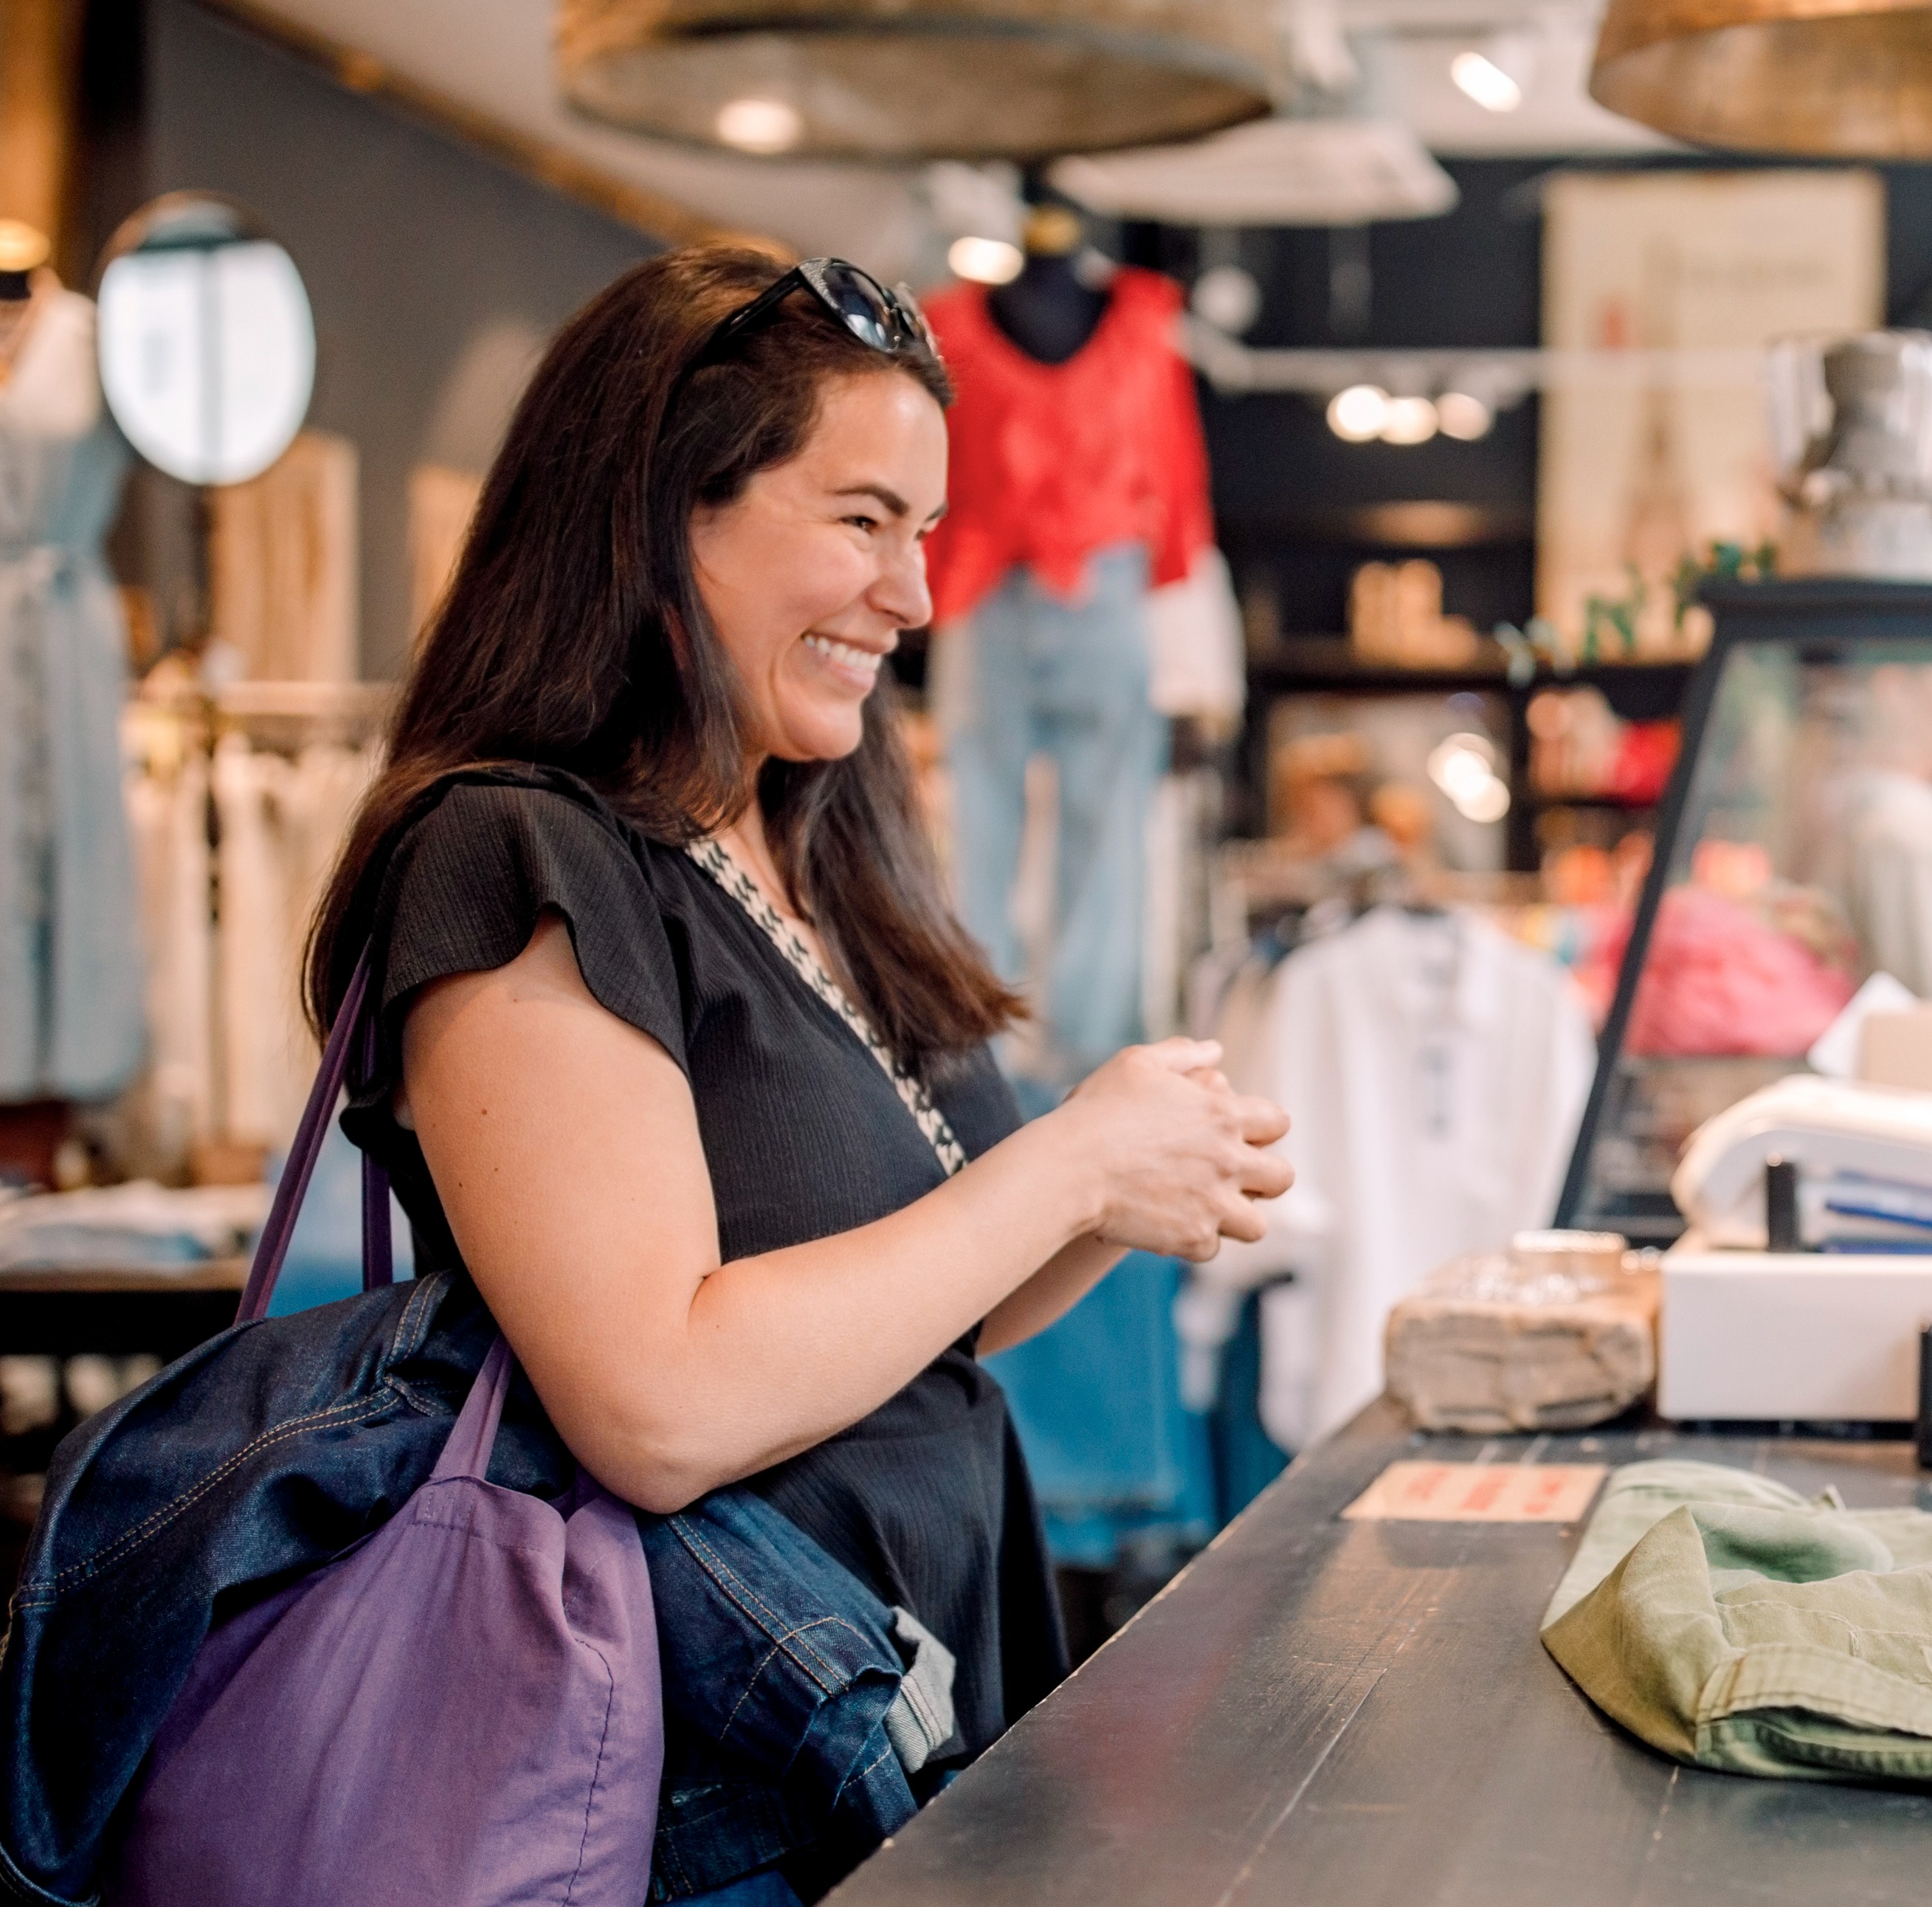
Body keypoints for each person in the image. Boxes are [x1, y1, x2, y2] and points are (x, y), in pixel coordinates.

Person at [297, 247, 1292, 1896]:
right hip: (705, 1779)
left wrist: (1123, 1174)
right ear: (660, 512)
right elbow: (656, 1401)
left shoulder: (820, 836)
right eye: (862, 521)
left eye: (927, 532)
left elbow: (942, 1303)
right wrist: (1066, 1166)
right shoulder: (519, 854)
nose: (916, 596)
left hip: (899, 1716)